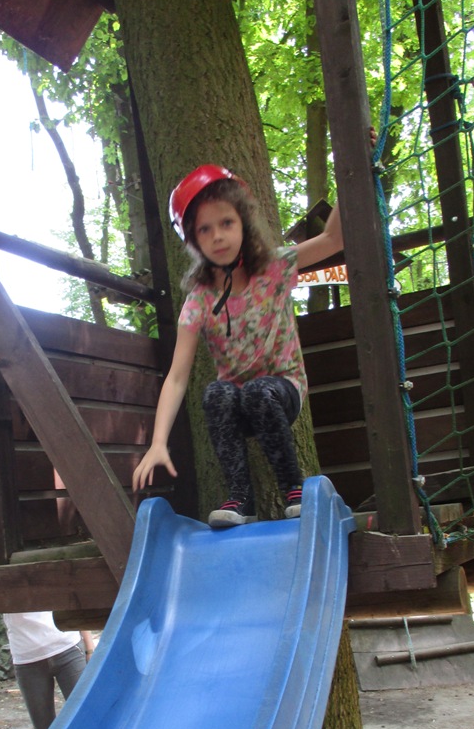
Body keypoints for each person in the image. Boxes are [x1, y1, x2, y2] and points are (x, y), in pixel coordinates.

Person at [131, 163, 346, 528]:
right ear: (193, 240)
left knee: (260, 392)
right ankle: (240, 499)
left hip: (282, 390)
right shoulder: (199, 300)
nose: (218, 236)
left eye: (226, 223)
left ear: (243, 223)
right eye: (205, 229)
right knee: (216, 392)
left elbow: (333, 240)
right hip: (237, 402)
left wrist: (348, 169)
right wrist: (158, 442)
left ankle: (294, 489)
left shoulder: (274, 268)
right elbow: (177, 377)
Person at [2, 611, 95, 729]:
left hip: (68, 647)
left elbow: (76, 605)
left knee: (86, 719)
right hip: (27, 657)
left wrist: (90, 649)